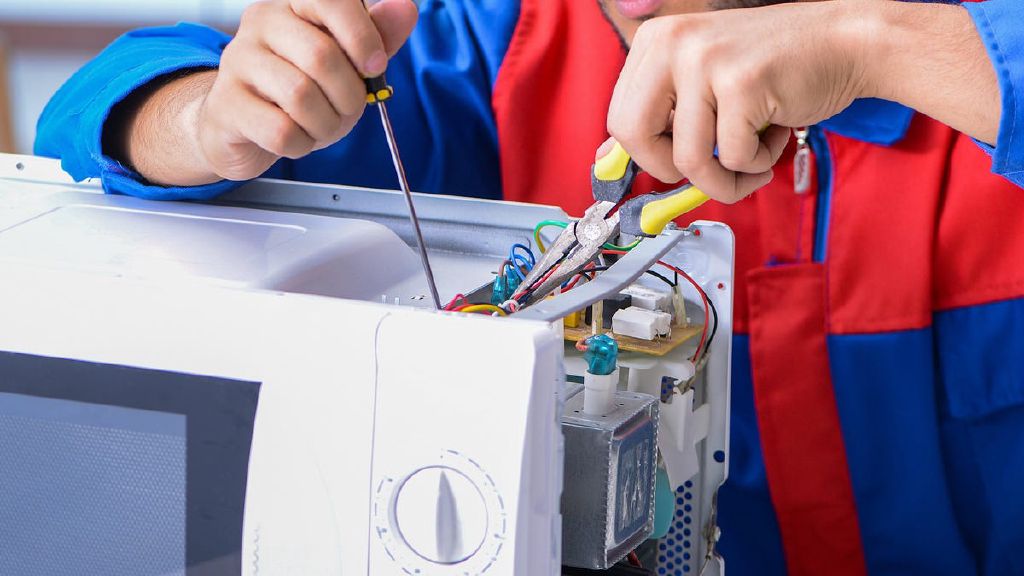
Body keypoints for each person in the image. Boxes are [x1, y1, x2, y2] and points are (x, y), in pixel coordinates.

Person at [34, 0, 1024, 574]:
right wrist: (208, 118)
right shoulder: (495, 45)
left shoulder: (976, 53)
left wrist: (879, 47)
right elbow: (97, 114)